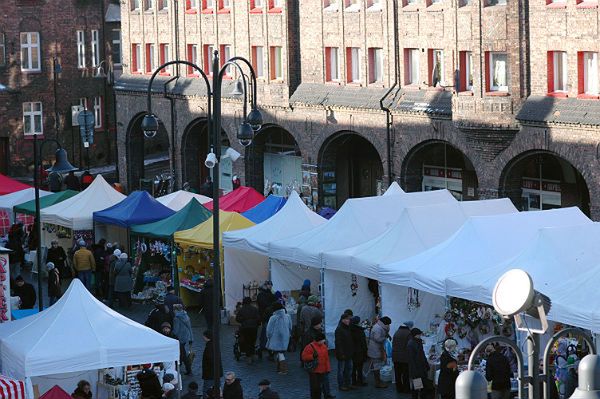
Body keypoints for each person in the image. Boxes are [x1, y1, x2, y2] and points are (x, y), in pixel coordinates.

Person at [302, 331, 331, 399]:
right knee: (315, 387)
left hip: (323, 370)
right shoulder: (309, 346)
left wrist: (328, 368)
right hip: (314, 371)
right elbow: (303, 357)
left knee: (320, 387)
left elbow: (326, 359)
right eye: (322, 340)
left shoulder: (324, 346)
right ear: (318, 340)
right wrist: (312, 356)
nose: (324, 341)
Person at [266, 302, 292, 375]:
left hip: (276, 338)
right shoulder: (288, 316)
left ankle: (284, 369)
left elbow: (269, 330)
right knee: (280, 353)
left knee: (279, 353)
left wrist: (268, 337)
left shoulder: (273, 317)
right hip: (285, 338)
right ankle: (279, 369)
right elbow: (290, 327)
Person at [407, 327, 433, 399]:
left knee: (424, 386)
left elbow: (422, 355)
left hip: (422, 369)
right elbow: (412, 360)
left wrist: (426, 365)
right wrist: (415, 372)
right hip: (416, 370)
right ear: (415, 335)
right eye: (419, 334)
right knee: (417, 387)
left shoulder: (418, 342)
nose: (420, 335)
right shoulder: (411, 344)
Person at [367, 316, 392, 389]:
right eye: (388, 324)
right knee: (376, 366)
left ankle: (378, 381)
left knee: (377, 365)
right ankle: (378, 383)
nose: (389, 326)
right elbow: (377, 338)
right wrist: (385, 338)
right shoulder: (378, 328)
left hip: (376, 348)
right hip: (375, 349)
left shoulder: (379, 326)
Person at [236, 296, 261, 363]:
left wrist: (243, 321)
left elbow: (237, 319)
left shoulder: (241, 310)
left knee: (247, 341)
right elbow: (258, 319)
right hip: (254, 327)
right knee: (253, 341)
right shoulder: (255, 309)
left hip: (245, 327)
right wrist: (257, 324)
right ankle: (252, 354)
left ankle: (248, 357)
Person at [334, 312, 355, 391]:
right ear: (342, 320)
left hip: (349, 352)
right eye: (346, 319)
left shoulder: (347, 328)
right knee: (341, 370)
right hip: (342, 354)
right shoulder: (339, 329)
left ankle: (348, 384)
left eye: (348, 319)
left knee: (348, 369)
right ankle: (341, 385)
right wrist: (341, 353)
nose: (348, 320)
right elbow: (338, 343)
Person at [392, 321, 414, 393]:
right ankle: (406, 389)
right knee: (405, 374)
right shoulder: (409, 333)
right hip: (404, 357)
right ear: (409, 326)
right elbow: (409, 346)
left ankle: (399, 389)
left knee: (398, 374)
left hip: (395, 356)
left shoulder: (397, 332)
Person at [173, 304, 194, 375]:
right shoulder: (186, 316)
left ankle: (188, 369)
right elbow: (190, 327)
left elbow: (176, 330)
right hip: (186, 337)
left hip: (179, 338)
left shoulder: (176, 318)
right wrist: (191, 338)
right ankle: (181, 365)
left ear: (176, 310)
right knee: (181, 352)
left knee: (183, 354)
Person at [202, 330, 223, 398]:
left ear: (207, 337)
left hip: (210, 373)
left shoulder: (209, 347)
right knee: (217, 388)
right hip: (215, 373)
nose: (203, 337)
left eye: (204, 336)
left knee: (207, 389)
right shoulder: (215, 345)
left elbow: (211, 360)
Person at [257, 281, 276, 355]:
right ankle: (263, 345)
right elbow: (264, 304)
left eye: (271, 285)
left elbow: (273, 300)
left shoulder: (269, 293)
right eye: (269, 285)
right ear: (265, 285)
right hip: (264, 315)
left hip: (268, 314)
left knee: (268, 330)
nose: (270, 286)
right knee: (265, 330)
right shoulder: (262, 294)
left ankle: (266, 345)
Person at [350, 316, 368, 387]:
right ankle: (359, 381)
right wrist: (365, 350)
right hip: (359, 351)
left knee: (354, 367)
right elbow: (363, 342)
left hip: (354, 351)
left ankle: (354, 381)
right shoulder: (359, 331)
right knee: (359, 368)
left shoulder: (350, 329)